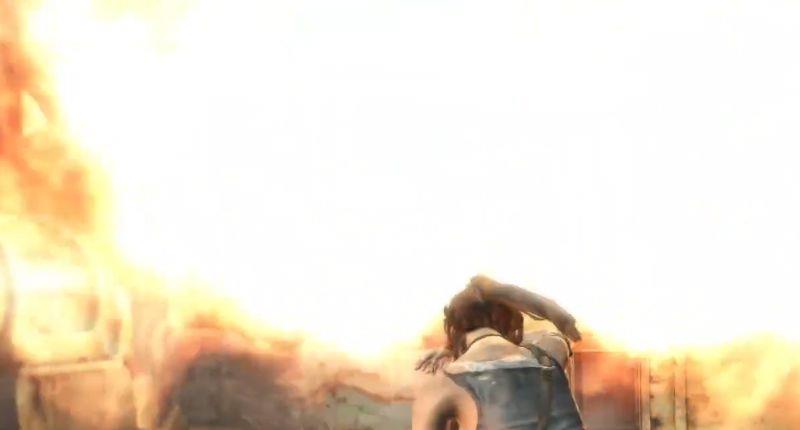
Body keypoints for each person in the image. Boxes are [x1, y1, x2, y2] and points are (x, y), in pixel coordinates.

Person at [413, 275, 585, 430]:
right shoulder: (550, 353)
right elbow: (561, 323)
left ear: (452, 328)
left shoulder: (444, 384)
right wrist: (500, 290)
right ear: (512, 322)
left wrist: (451, 346)